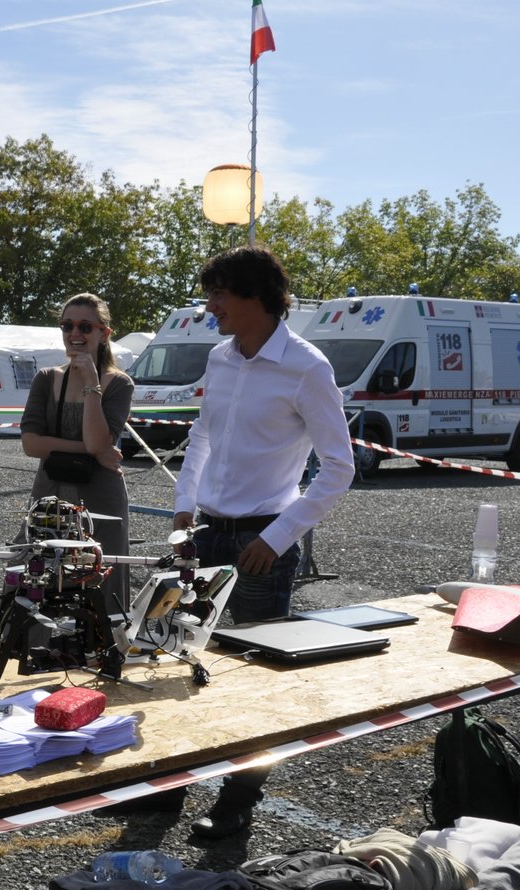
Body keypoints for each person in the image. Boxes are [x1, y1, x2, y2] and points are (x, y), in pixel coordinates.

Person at [171, 246, 355, 840]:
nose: (210, 307)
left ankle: (238, 803)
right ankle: (166, 792)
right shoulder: (221, 358)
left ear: (258, 297)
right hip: (206, 537)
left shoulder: (306, 367)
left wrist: (277, 539)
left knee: (255, 677)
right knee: (185, 659)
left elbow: (338, 466)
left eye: (220, 294)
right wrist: (181, 517)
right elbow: (200, 439)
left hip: (260, 545)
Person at [19, 292, 135, 614]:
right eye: (67, 325)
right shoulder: (46, 378)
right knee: (37, 578)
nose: (75, 334)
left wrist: (91, 384)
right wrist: (91, 451)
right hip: (50, 493)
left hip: (100, 500)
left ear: (104, 333)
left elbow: (100, 442)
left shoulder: (119, 384)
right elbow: (31, 444)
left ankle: (103, 655)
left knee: (100, 581)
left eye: (85, 326)